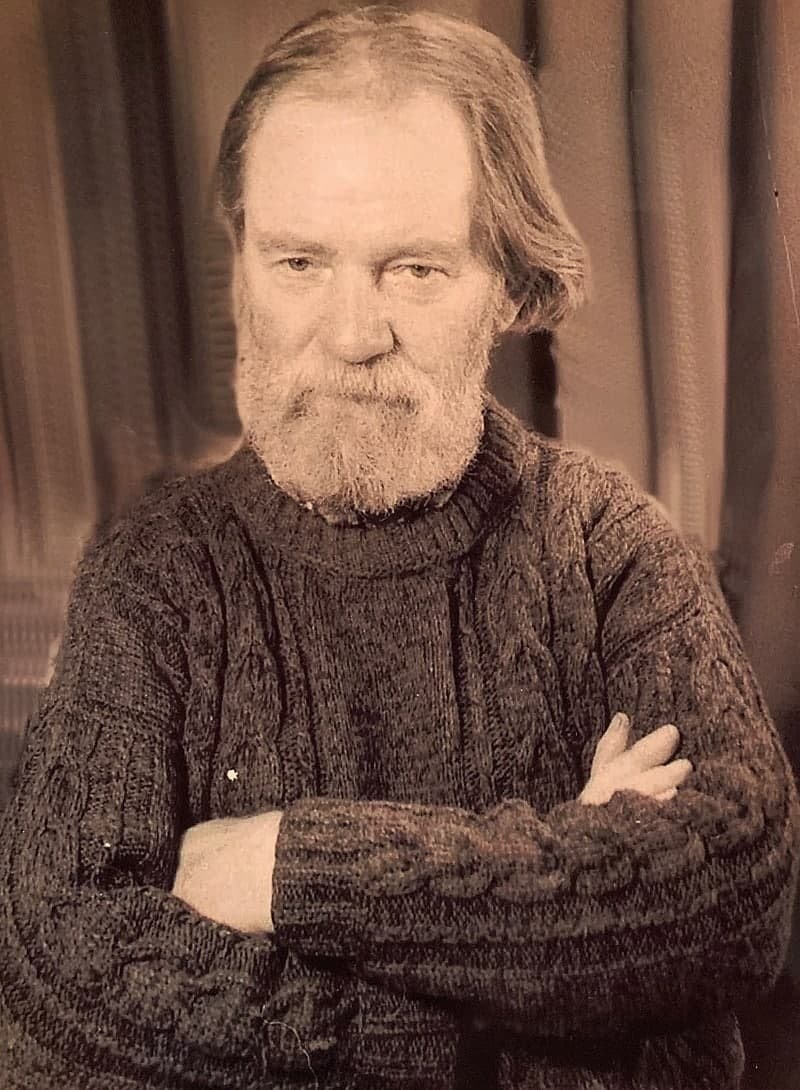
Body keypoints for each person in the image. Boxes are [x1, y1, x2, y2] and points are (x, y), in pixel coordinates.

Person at [1, 7, 797, 1089]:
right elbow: (63, 959)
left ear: (507, 285)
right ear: (239, 266)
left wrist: (285, 868)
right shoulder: (153, 574)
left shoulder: (610, 549)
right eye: (297, 261)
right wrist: (531, 959)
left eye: (413, 270)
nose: (350, 335)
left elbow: (734, 898)